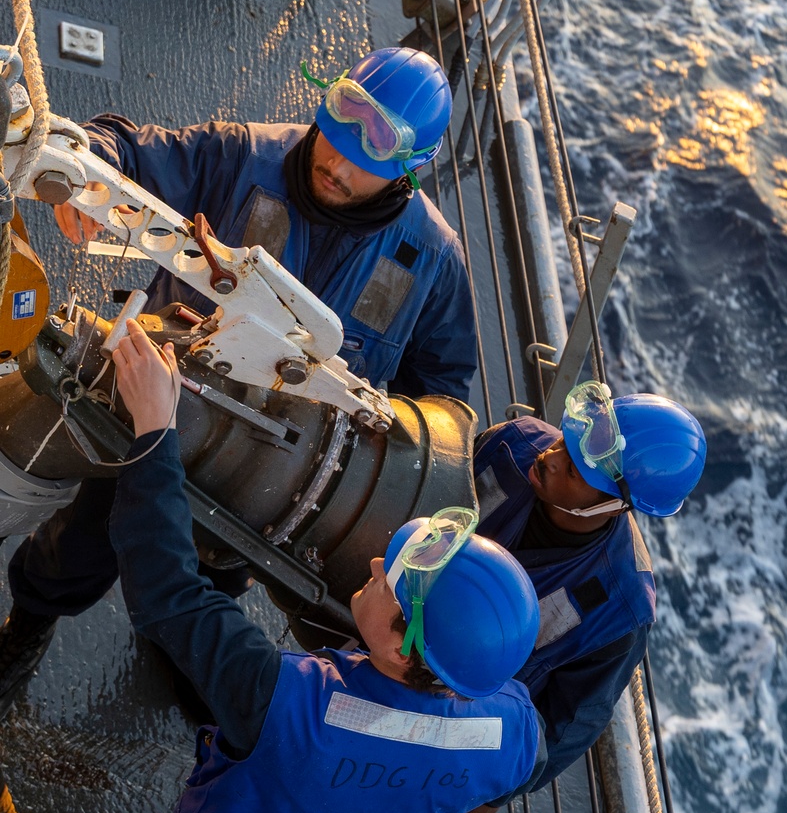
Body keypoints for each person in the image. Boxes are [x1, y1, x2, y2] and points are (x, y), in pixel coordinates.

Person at [106, 320, 542, 813]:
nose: (373, 565)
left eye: (389, 577)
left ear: (401, 644)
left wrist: (155, 429)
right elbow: (498, 780)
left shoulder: (285, 700)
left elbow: (169, 592)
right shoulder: (511, 729)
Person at [0, 46, 479, 716]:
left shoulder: (434, 262)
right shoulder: (242, 156)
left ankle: (183, 657)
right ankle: (28, 627)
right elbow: (131, 151)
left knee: (212, 584)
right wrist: (88, 168)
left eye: (362, 159)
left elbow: (439, 393)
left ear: (409, 169)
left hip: (271, 485)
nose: (335, 163)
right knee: (78, 547)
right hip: (153, 415)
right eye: (335, 133)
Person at [471, 381, 706, 796]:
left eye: (575, 470)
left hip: (456, 703)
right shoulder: (515, 443)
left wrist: (498, 792)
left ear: (616, 505)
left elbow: (569, 722)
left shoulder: (619, 611)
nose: (551, 458)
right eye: (566, 441)